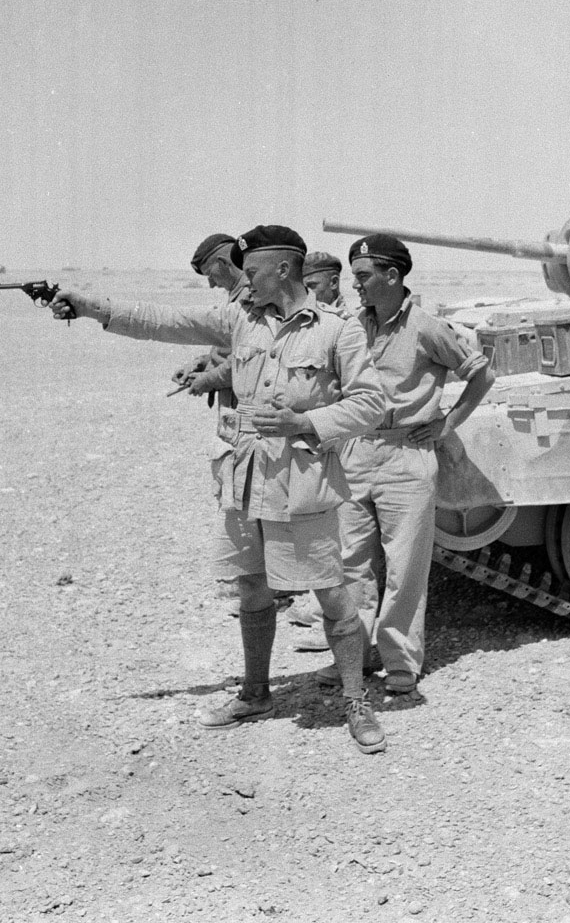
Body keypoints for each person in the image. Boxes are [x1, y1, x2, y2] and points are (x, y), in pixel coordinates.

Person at [51, 225, 388, 755]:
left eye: (250, 270)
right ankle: (256, 693)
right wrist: (91, 306)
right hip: (246, 478)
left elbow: (372, 404)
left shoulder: (336, 330)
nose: (242, 280)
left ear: (282, 270)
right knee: (251, 588)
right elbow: (165, 321)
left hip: (301, 484)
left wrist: (305, 421)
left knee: (332, 594)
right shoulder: (241, 319)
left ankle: (355, 701)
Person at [315, 234, 495, 695]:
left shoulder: (427, 327)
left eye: (363, 277)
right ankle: (351, 656)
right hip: (355, 452)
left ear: (392, 276)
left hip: (406, 456)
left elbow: (481, 373)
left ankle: (399, 661)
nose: (355, 286)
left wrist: (447, 423)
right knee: (350, 563)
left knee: (404, 566)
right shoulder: (353, 324)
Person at [170, 234, 249, 619]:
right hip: (233, 412)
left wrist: (208, 379)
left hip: (247, 413)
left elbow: (249, 361)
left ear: (221, 262)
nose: (210, 282)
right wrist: (203, 362)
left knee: (245, 492)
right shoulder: (236, 298)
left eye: (209, 273)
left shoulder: (249, 297)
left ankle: (258, 584)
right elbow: (229, 349)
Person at [287, 250, 348, 652]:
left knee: (344, 531)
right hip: (320, 436)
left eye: (314, 285)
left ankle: (341, 621)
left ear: (331, 283)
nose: (308, 293)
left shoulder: (345, 323)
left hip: (341, 434)